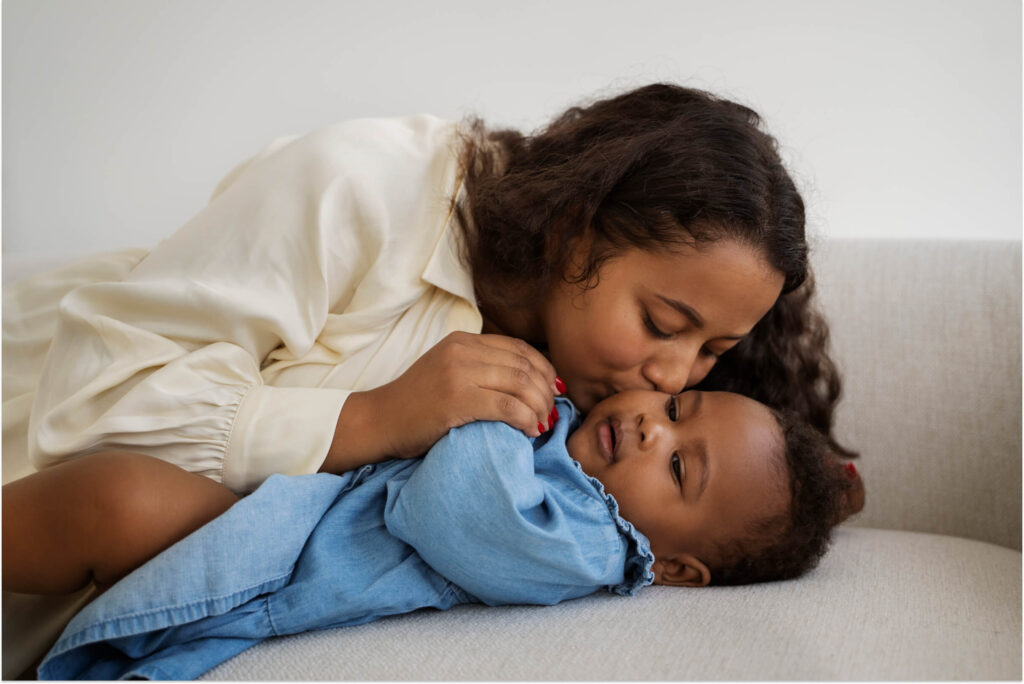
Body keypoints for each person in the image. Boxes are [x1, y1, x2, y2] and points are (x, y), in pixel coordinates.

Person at [1, 82, 862, 675]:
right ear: (574, 233)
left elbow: (741, 483)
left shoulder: (602, 451)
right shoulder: (362, 185)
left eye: (711, 353)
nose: (671, 373)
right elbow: (89, 409)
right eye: (663, 326)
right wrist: (372, 418)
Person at [4, 390, 854, 679]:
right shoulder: (579, 455)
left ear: (673, 566)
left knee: (111, 502)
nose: (649, 430)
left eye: (679, 468)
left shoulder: (590, 545)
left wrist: (494, 401)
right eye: (673, 411)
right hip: (294, 512)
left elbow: (447, 502)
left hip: (289, 566)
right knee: (108, 492)